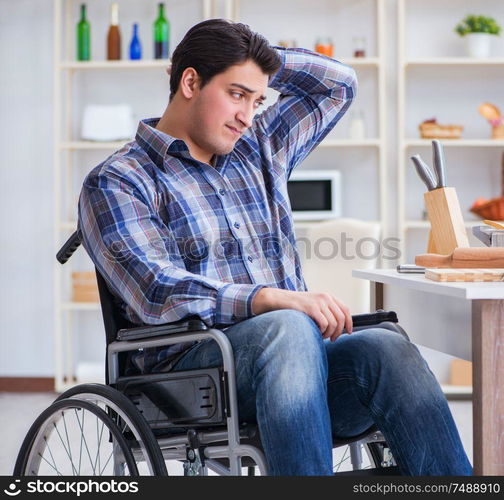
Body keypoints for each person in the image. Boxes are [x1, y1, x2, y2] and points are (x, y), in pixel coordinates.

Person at [78, 19, 472, 476]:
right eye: (236, 93)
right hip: (191, 376)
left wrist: (261, 62)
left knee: (387, 350)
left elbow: (339, 87)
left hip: (299, 368)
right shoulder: (119, 180)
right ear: (190, 80)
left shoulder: (258, 148)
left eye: (257, 99)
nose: (247, 114)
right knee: (286, 326)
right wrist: (268, 299)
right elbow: (155, 289)